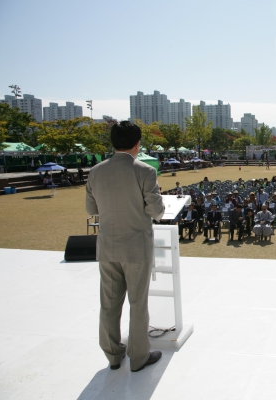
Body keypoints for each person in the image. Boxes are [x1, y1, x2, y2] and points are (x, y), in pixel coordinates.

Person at [85, 121, 164, 372]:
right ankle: (139, 356)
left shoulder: (96, 171)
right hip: (136, 248)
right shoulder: (145, 171)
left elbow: (91, 210)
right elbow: (157, 211)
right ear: (137, 144)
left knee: (109, 303)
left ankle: (113, 355)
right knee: (137, 303)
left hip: (107, 246)